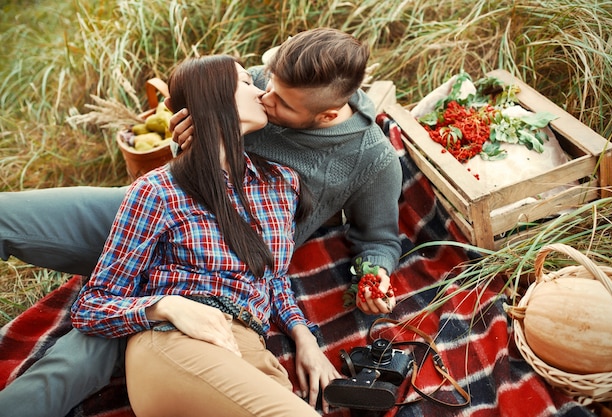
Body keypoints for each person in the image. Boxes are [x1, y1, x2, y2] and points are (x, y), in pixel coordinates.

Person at [0, 27, 402, 416]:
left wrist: (371, 278)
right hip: (168, 209)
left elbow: (377, 241)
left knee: (77, 360)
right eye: (261, 82)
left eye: (282, 101)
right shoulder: (259, 88)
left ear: (327, 114)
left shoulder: (368, 161)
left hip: (225, 258)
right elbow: (201, 122)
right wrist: (187, 135)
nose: (264, 94)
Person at [68, 54, 339, 417]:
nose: (259, 92)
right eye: (245, 83)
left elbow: (273, 279)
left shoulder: (281, 184)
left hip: (252, 352)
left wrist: (305, 338)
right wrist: (166, 306)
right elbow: (91, 306)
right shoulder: (158, 191)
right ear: (215, 97)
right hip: (176, 341)